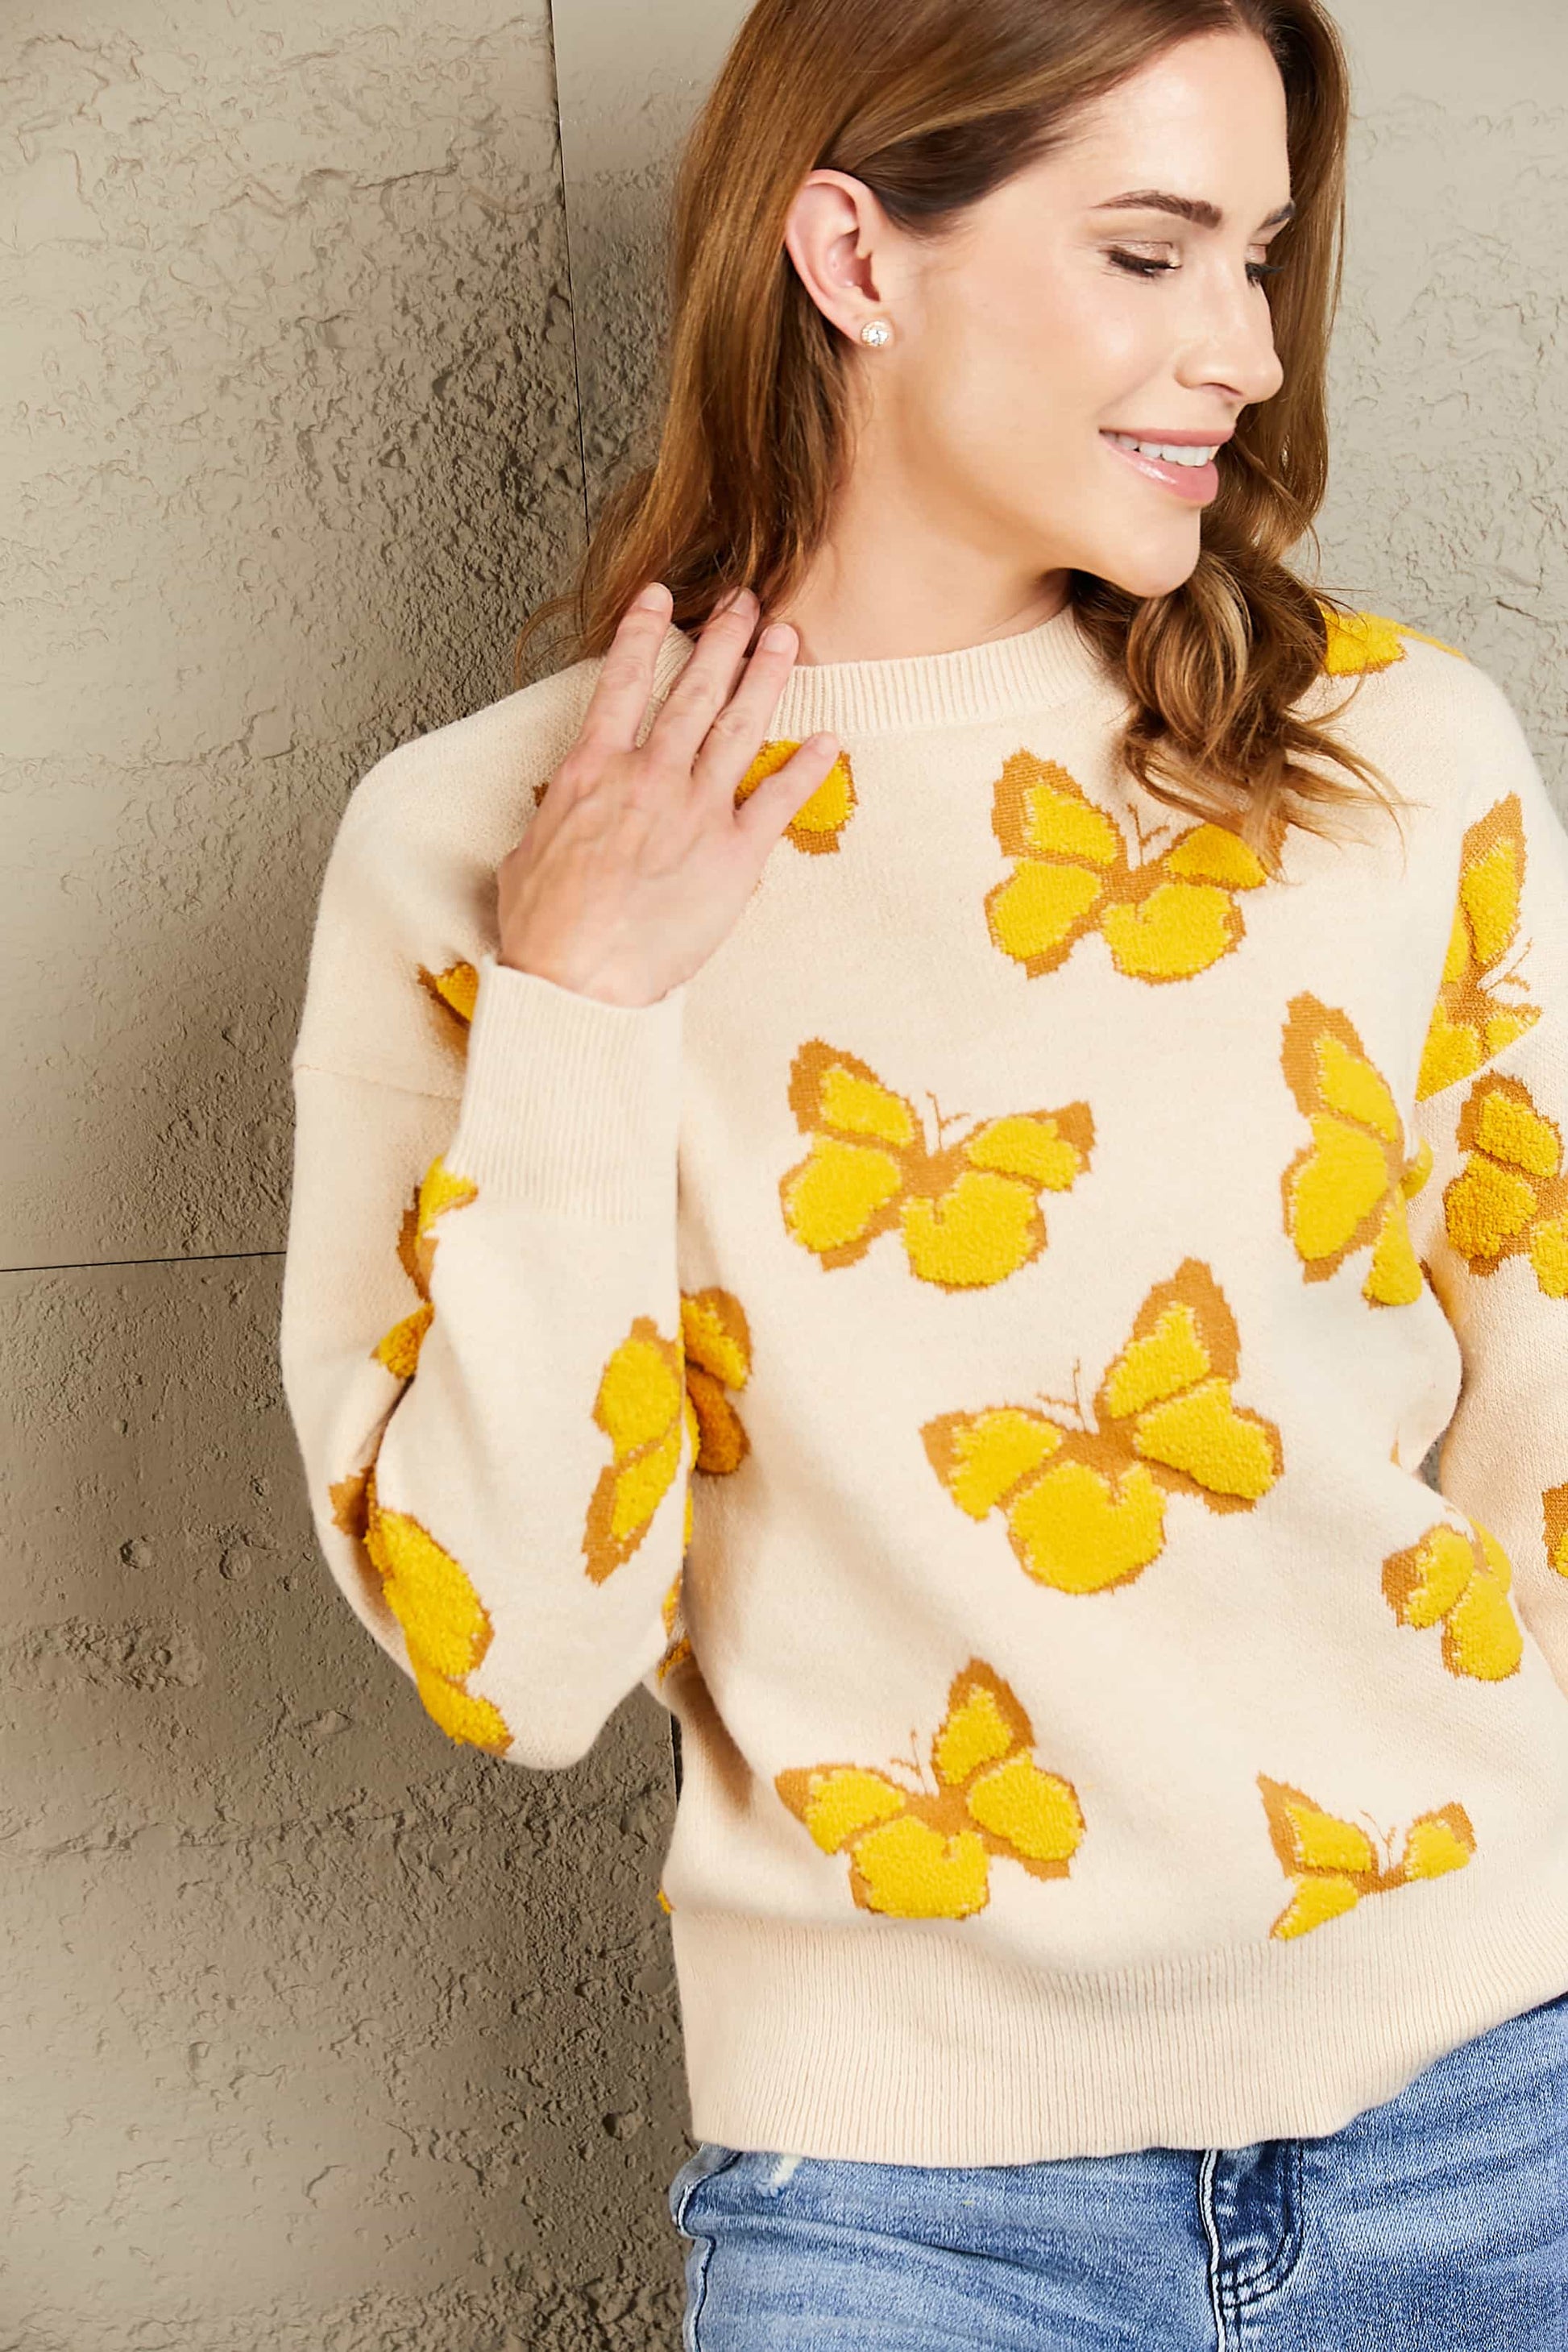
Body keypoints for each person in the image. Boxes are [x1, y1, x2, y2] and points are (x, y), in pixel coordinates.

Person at [278, 0, 1568, 2339]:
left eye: (1257, 256)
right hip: (905, 2220)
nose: (1248, 352)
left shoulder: (1400, 755)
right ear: (854, 257)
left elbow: (1549, 1448)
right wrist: (583, 1004)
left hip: (1505, 2126)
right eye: (1149, 254)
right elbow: (514, 1656)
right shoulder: (476, 844)